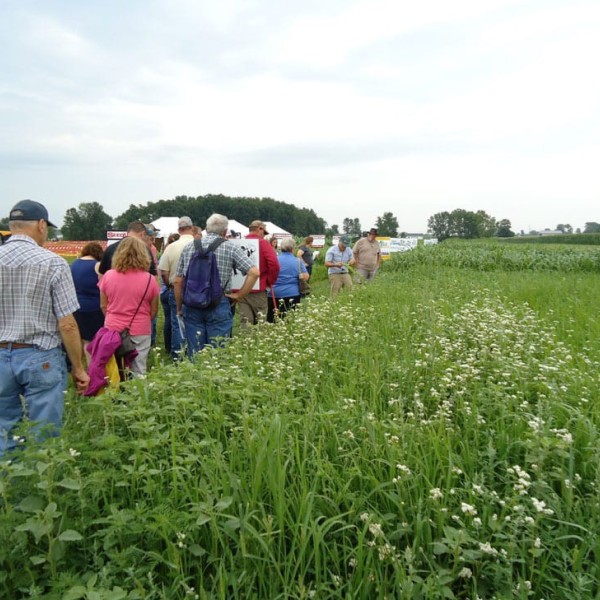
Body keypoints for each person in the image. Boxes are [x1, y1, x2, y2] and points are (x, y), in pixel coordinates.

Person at [0, 200, 89, 457]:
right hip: (40, 354)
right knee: (45, 432)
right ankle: (43, 481)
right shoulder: (53, 263)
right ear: (40, 225)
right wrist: (78, 367)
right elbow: (67, 323)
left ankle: (10, 487)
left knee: (5, 429)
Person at [174, 213, 259, 355]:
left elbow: (177, 281)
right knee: (217, 352)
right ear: (225, 231)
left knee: (195, 351)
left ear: (206, 229)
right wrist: (239, 295)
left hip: (192, 304)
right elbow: (254, 273)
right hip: (219, 302)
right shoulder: (230, 247)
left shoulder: (189, 247)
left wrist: (179, 308)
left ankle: (195, 375)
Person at [98, 237, 160, 376]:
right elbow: (154, 309)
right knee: (139, 367)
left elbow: (103, 305)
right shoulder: (150, 279)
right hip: (140, 327)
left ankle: (117, 394)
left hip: (113, 327)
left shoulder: (108, 276)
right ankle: (139, 395)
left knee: (115, 367)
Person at [158, 217, 196, 358]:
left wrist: (170, 285)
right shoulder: (199, 245)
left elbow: (164, 271)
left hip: (175, 289)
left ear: (179, 230)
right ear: (192, 229)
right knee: (194, 322)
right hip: (196, 291)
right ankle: (193, 352)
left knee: (176, 323)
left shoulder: (171, 247)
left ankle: (178, 355)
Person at [236, 220, 279, 327]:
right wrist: (269, 281)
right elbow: (274, 264)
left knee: (246, 323)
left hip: (241, 289)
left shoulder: (239, 243)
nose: (264, 236)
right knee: (261, 322)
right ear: (260, 229)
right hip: (258, 289)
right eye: (264, 233)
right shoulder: (263, 243)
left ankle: (246, 343)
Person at [70, 242, 105, 363]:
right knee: (96, 340)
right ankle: (95, 368)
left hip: (77, 306)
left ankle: (88, 366)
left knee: (85, 340)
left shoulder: (74, 264)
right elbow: (104, 287)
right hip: (94, 307)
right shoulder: (97, 265)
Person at [267, 237, 309, 322]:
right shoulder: (297, 261)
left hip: (274, 294)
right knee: (290, 320)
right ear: (293, 248)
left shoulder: (274, 260)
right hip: (292, 293)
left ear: (281, 247)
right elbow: (306, 277)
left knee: (273, 320)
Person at [159, 232, 180, 355]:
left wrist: (167, 286)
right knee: (176, 321)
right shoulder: (179, 252)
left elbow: (163, 272)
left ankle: (168, 346)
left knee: (169, 320)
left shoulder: (166, 252)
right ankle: (176, 348)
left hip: (165, 290)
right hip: (173, 289)